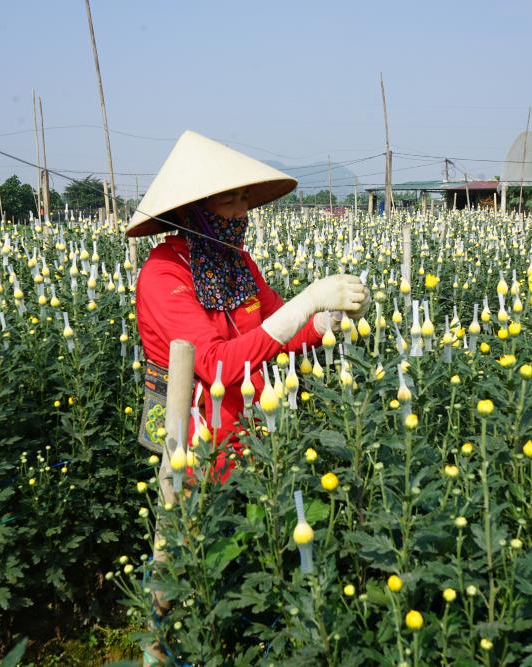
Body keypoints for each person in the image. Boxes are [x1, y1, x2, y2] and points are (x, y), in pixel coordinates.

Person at [127, 131, 368, 665]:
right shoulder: (163, 273)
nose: (240, 212)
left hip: (255, 437)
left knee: (249, 557)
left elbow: (281, 326)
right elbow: (212, 363)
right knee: (188, 560)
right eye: (228, 198)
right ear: (193, 206)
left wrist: (330, 321)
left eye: (244, 199)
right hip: (195, 446)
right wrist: (306, 302)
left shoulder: (238, 264)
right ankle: (163, 651)